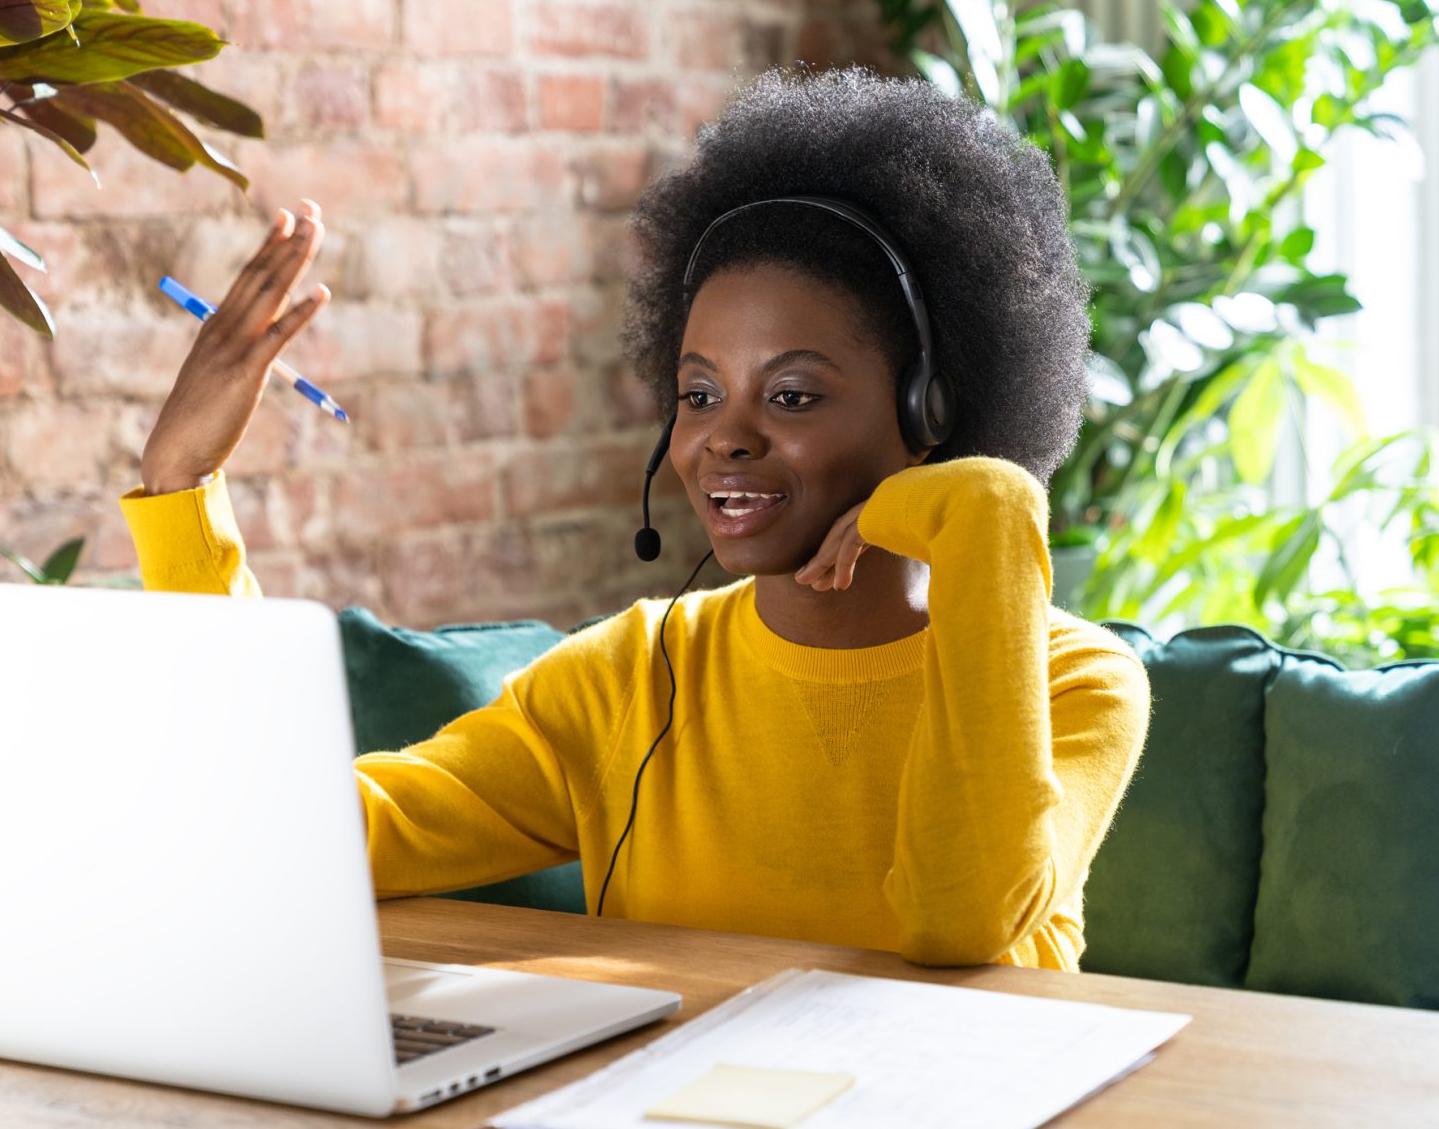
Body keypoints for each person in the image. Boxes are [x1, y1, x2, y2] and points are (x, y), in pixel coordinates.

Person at [119, 66, 1150, 970]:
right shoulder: (629, 680)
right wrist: (179, 487)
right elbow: (301, 833)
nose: (722, 439)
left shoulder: (1076, 684)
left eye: (791, 395)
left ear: (929, 411)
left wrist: (986, 504)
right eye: (698, 394)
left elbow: (960, 920)